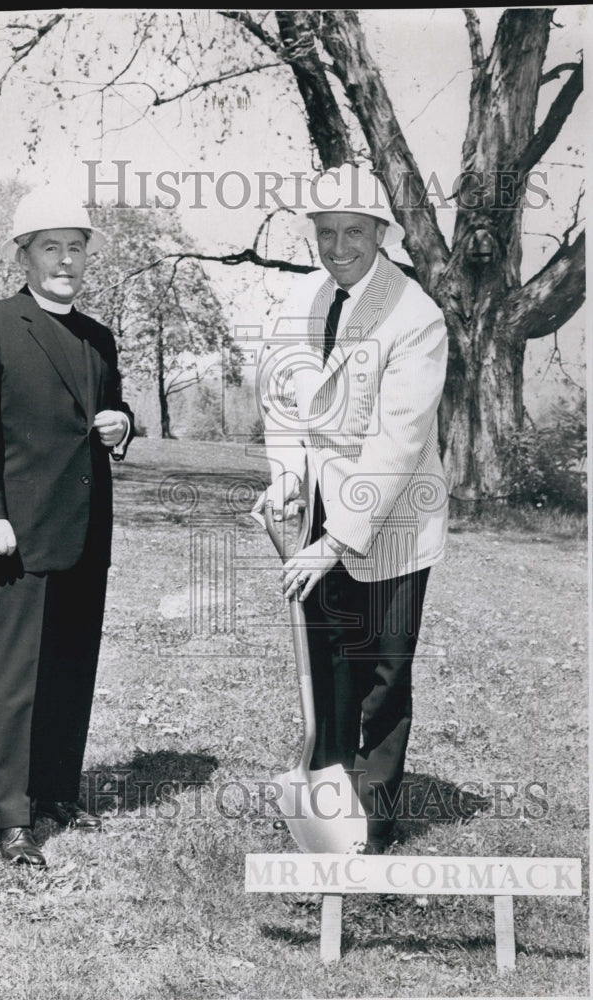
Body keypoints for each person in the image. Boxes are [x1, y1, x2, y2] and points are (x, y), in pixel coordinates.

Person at [253, 163, 448, 853]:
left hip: (392, 520)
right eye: (326, 232)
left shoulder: (415, 316)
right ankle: (330, 808)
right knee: (331, 661)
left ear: (380, 235)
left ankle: (375, 821)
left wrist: (336, 541)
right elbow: (281, 398)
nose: (338, 247)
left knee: (383, 672)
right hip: (319, 516)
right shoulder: (303, 300)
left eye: (354, 233)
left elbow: (397, 443)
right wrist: (286, 476)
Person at [0, 186, 134, 867]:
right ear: (24, 255)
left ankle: (56, 794)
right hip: (14, 535)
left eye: (76, 248)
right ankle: (12, 820)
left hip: (86, 533)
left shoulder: (99, 336)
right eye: (50, 247)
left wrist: (123, 424)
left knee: (71, 668)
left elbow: (110, 411)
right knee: (18, 675)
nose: (65, 260)